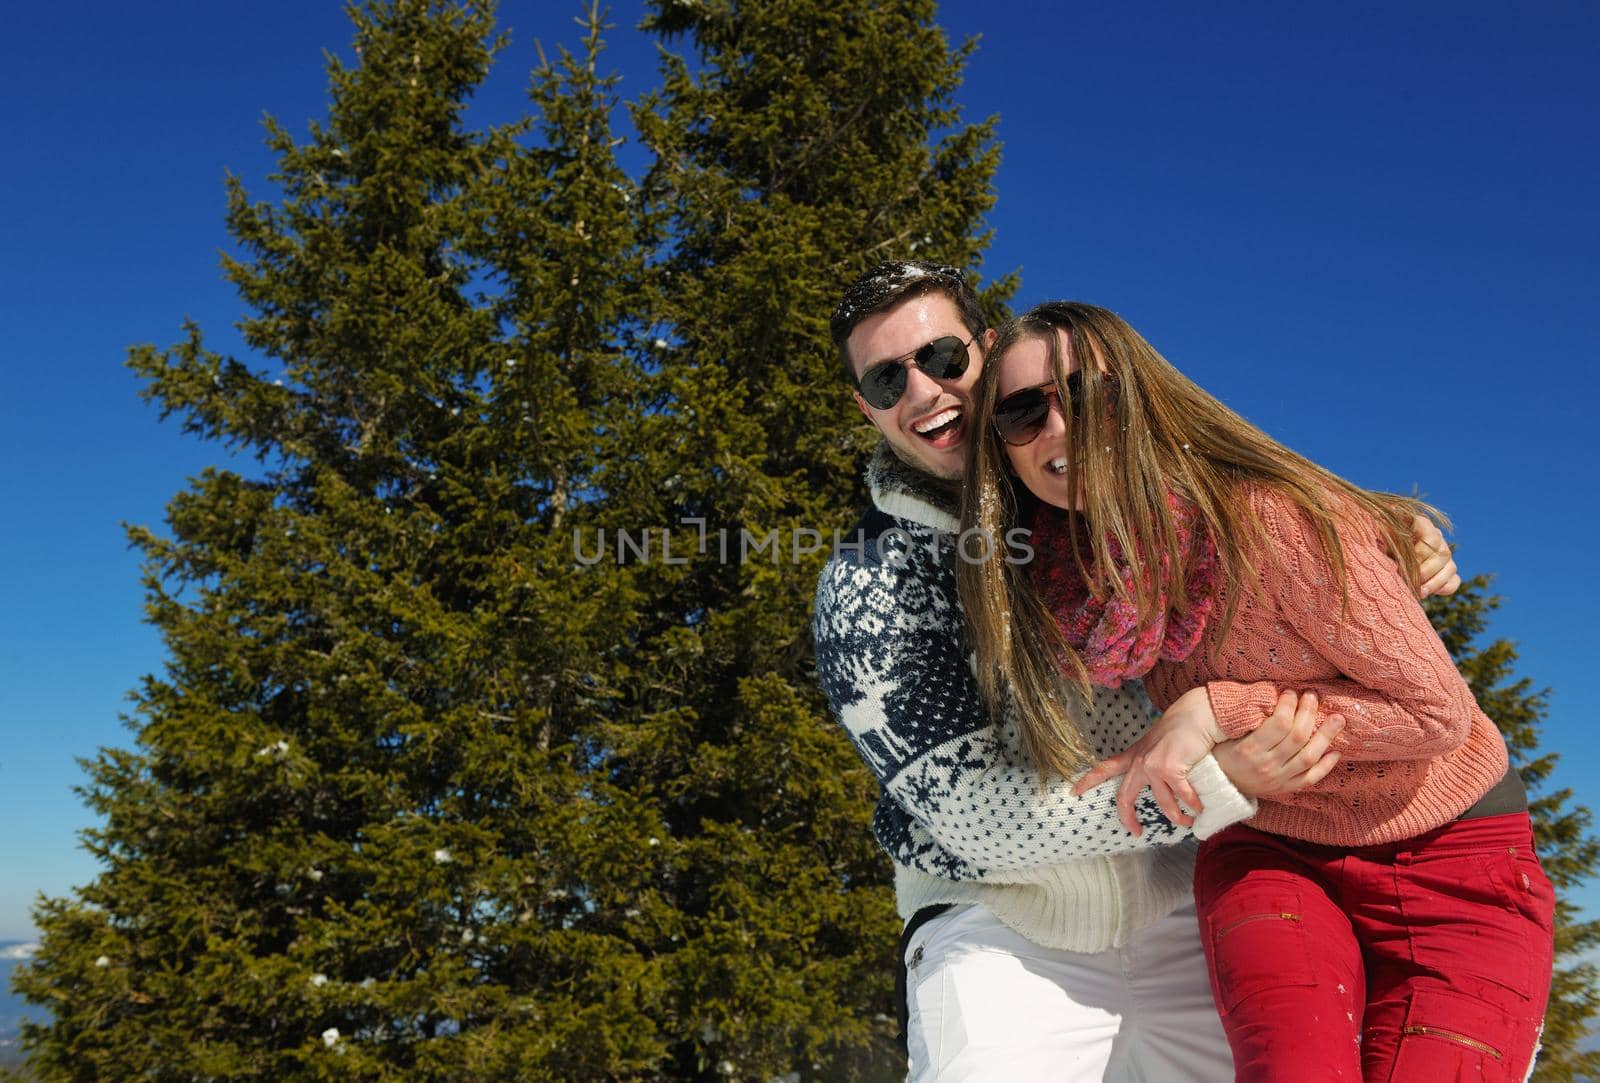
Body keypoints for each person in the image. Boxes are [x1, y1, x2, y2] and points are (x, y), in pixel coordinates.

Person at [811, 262, 1461, 1081]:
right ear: (864, 405)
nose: (924, 390)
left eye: (942, 357)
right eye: (885, 376)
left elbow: (1252, 531)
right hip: (1002, 930)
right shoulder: (875, 579)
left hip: (1190, 905)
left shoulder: (1106, 503)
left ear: (985, 348)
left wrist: (1377, 531)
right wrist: (1210, 781)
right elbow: (974, 819)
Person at [955, 299, 1552, 1082]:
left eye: (1087, 395)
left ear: (1143, 396)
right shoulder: (1074, 580)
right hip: (1272, 849)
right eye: (1024, 412)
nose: (1060, 430)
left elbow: (1433, 712)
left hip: (1450, 853)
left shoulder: (1272, 521)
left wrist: (1211, 709)